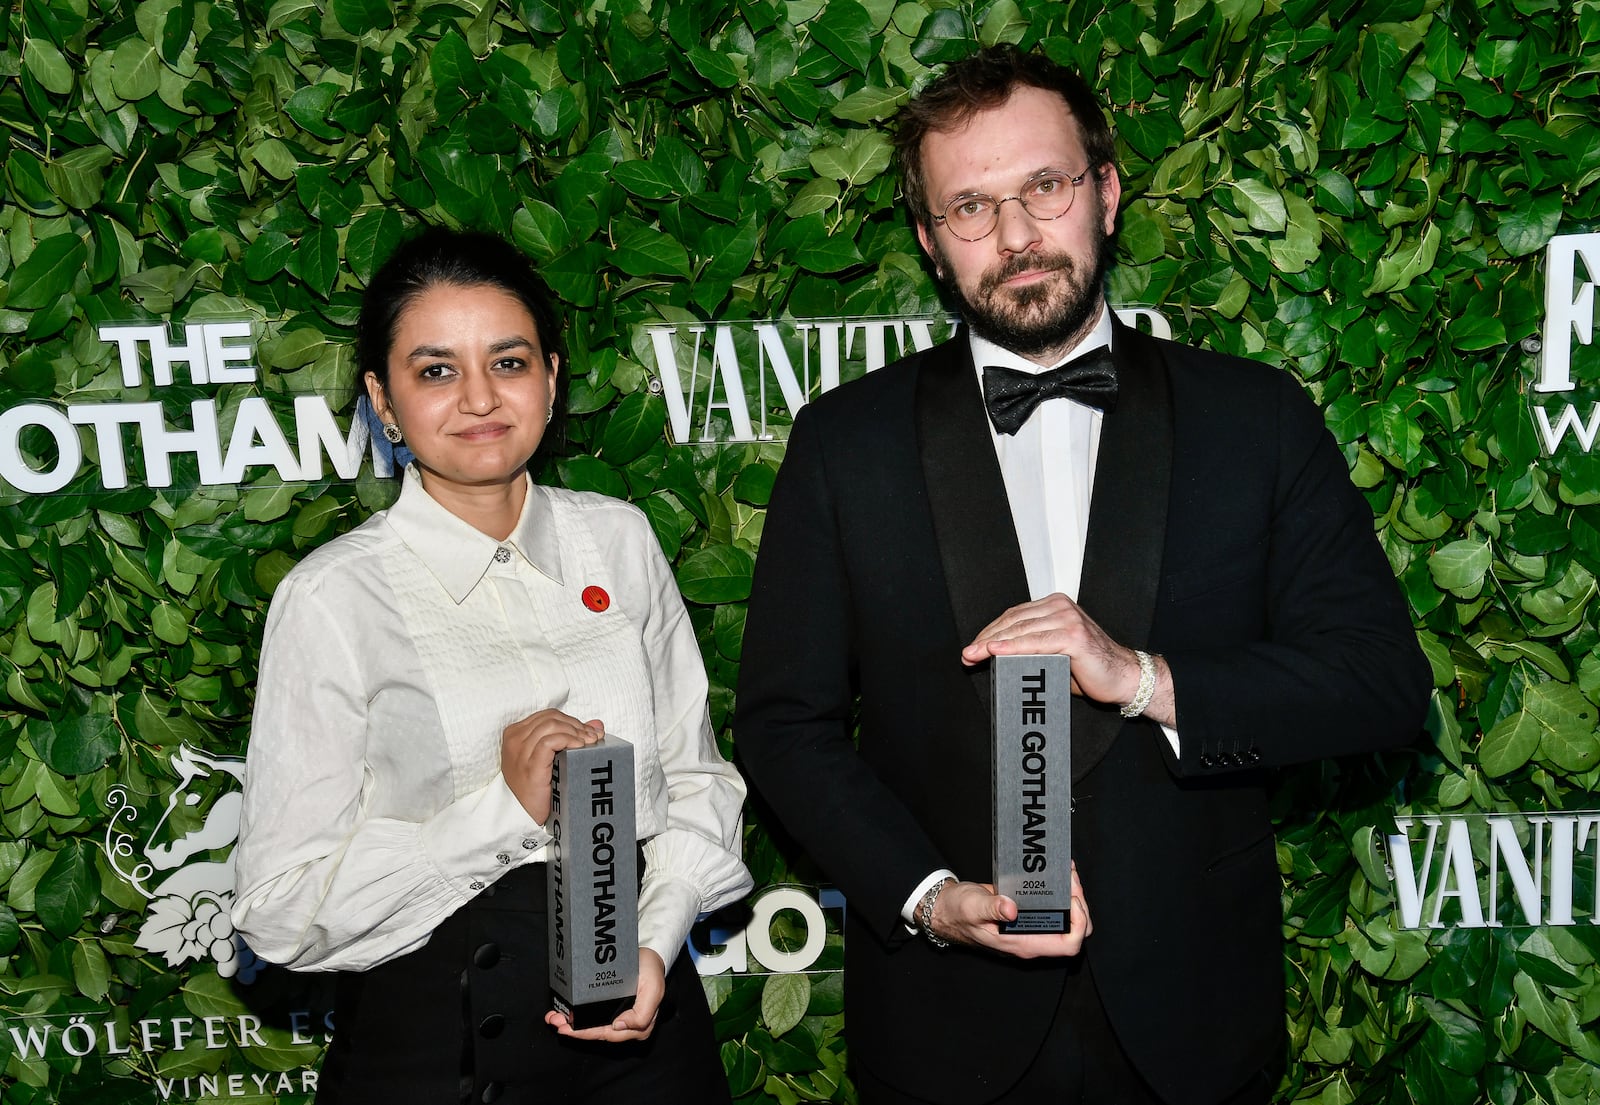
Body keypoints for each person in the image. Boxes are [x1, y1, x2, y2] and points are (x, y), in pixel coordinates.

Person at [734, 45, 1430, 1105]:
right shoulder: (845, 445)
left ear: (1104, 192)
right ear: (928, 241)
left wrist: (1144, 676)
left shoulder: (1254, 419)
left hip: (1192, 1026)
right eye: (970, 207)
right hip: (942, 1030)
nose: (1015, 238)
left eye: (1043, 187)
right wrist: (925, 895)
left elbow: (1379, 682)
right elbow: (785, 727)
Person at [232, 227, 752, 1105]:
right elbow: (277, 909)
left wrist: (654, 944)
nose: (478, 397)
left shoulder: (618, 539)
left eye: (507, 362)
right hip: (439, 1056)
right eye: (435, 370)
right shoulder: (334, 598)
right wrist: (501, 808)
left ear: (551, 376)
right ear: (381, 400)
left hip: (648, 1048)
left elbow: (699, 784)